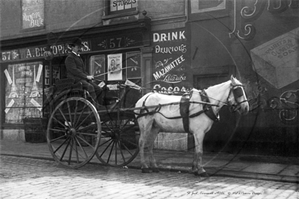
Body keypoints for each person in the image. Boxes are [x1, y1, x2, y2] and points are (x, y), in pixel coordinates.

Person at [65, 38, 104, 105]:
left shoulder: (79, 57)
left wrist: (89, 76)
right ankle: (95, 106)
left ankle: (100, 104)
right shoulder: (70, 58)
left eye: (80, 47)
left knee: (98, 89)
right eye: (78, 47)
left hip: (82, 79)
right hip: (75, 80)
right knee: (90, 87)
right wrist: (86, 76)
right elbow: (74, 71)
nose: (80, 49)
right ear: (73, 47)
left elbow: (82, 70)